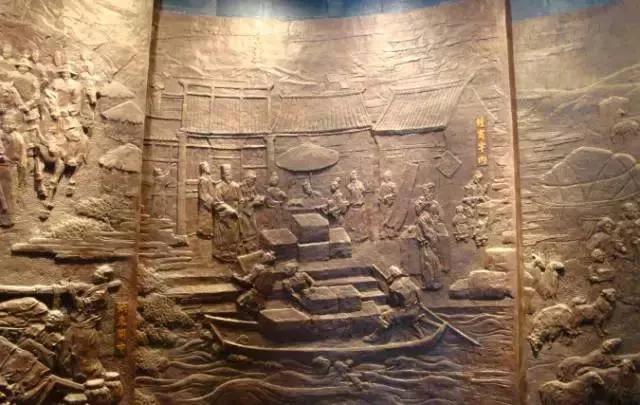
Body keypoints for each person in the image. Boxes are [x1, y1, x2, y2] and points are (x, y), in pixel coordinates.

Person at [364, 265, 423, 343]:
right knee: (385, 309)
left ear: (391, 276)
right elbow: (419, 291)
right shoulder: (408, 280)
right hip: (416, 308)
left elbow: (393, 304)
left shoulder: (393, 287)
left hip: (406, 311)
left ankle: (376, 336)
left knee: (383, 315)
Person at [212, 164, 241, 262]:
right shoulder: (218, 187)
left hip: (235, 215)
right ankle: (223, 254)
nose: (229, 176)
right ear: (222, 175)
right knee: (224, 235)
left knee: (234, 234)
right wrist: (230, 210)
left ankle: (233, 252)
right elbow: (217, 202)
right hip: (224, 216)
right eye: (226, 174)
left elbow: (241, 200)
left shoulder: (236, 186)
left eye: (230, 174)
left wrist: (239, 210)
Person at [414, 197, 442, 291]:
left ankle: (430, 283)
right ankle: (433, 282)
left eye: (417, 207)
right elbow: (428, 230)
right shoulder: (425, 217)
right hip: (427, 242)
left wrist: (432, 237)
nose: (416, 209)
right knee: (431, 262)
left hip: (427, 243)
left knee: (428, 263)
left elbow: (427, 230)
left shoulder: (423, 218)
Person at [238, 170, 264, 252]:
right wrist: (250, 199)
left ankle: (252, 248)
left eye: (254, 180)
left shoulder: (252, 187)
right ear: (247, 178)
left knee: (254, 229)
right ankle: (246, 249)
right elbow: (240, 200)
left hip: (251, 210)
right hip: (243, 211)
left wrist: (259, 198)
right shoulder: (240, 187)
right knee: (247, 230)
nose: (254, 181)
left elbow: (257, 195)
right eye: (253, 179)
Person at [197, 162, 216, 238]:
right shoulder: (203, 180)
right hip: (205, 203)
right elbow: (203, 194)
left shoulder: (208, 178)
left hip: (209, 201)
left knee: (209, 218)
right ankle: (204, 233)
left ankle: (208, 232)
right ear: (204, 169)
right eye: (208, 167)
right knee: (205, 218)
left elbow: (213, 183)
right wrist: (211, 200)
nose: (209, 168)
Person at [377, 170, 397, 239]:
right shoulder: (382, 184)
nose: (384, 178)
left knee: (389, 217)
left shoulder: (393, 185)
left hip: (390, 204)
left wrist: (388, 196)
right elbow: (379, 194)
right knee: (383, 217)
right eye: (384, 176)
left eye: (386, 176)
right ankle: (383, 233)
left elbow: (395, 194)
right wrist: (380, 197)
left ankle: (390, 233)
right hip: (383, 203)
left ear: (389, 177)